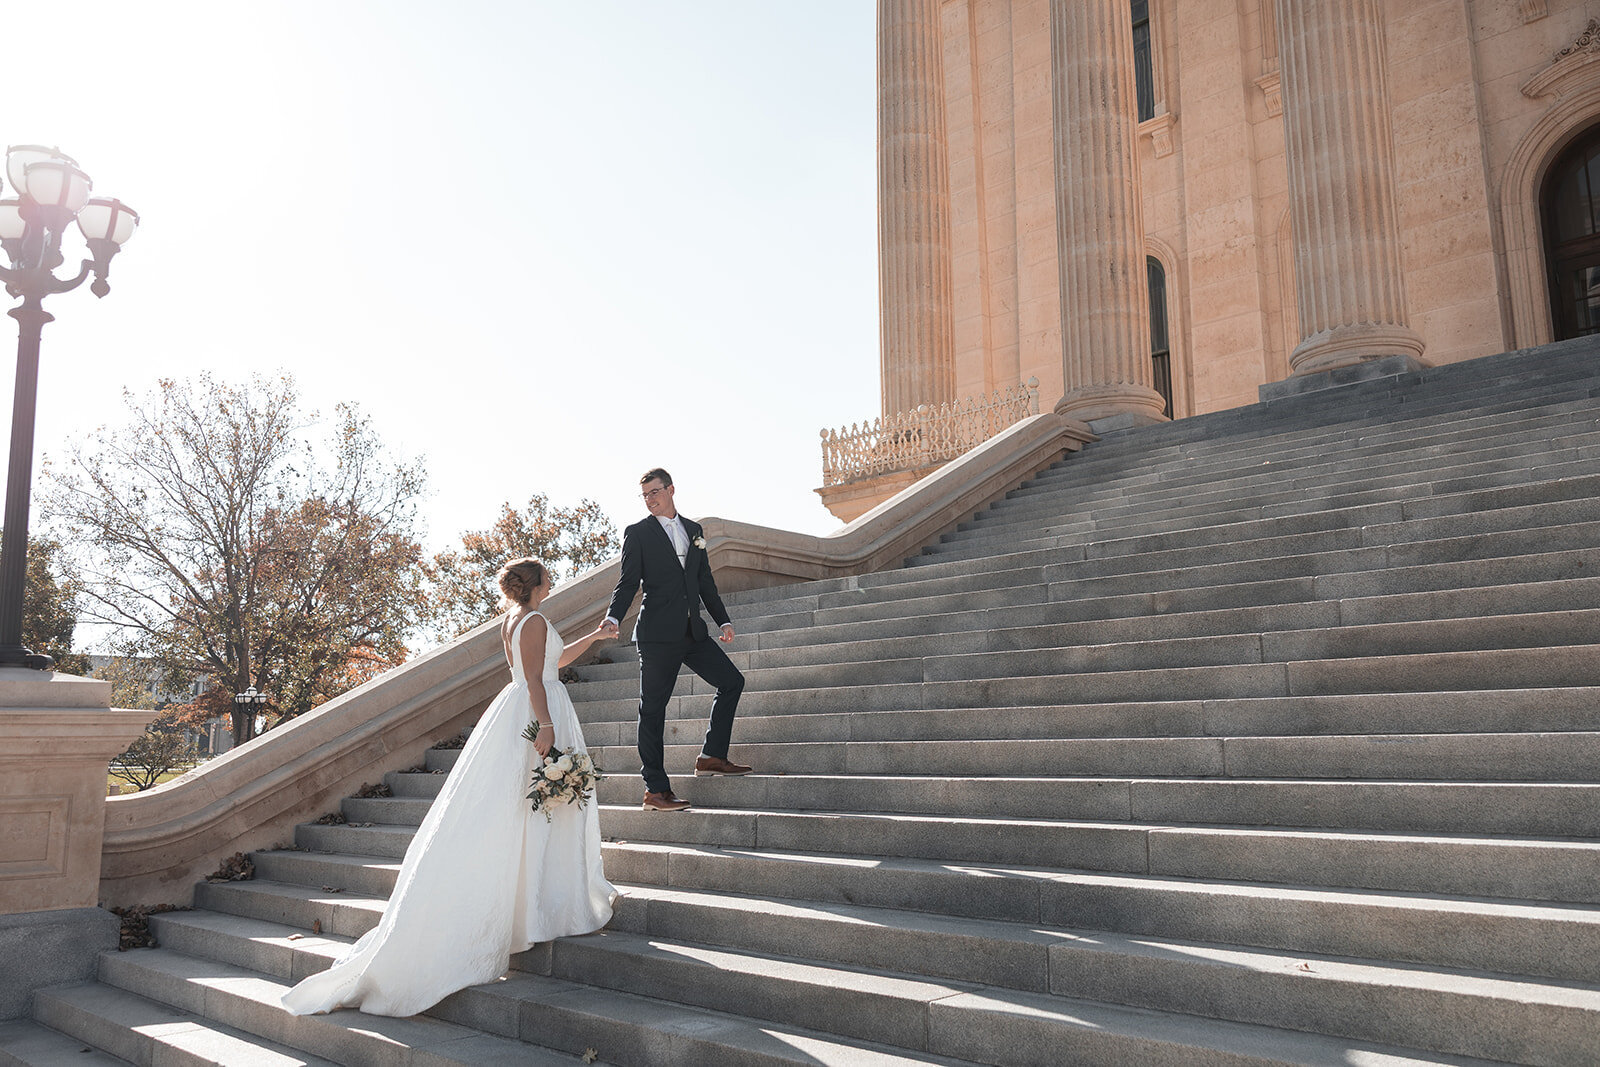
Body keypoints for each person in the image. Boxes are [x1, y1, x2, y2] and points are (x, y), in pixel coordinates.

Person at [281, 558, 617, 1017]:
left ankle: (539, 907)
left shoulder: (513, 620)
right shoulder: (534, 619)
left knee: (534, 807)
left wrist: (594, 638)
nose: (551, 580)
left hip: (518, 707)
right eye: (547, 575)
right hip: (537, 712)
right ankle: (535, 910)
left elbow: (550, 662)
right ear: (537, 584)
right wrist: (546, 724)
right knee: (537, 807)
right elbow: (537, 677)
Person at [602, 467, 749, 812]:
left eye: (655, 492)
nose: (650, 500)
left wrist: (722, 620)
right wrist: (613, 616)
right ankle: (655, 790)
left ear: (670, 490)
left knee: (732, 682)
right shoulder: (637, 533)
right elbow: (628, 582)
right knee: (652, 710)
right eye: (645, 495)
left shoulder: (694, 530)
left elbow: (704, 581)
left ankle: (712, 756)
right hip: (656, 636)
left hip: (692, 632)